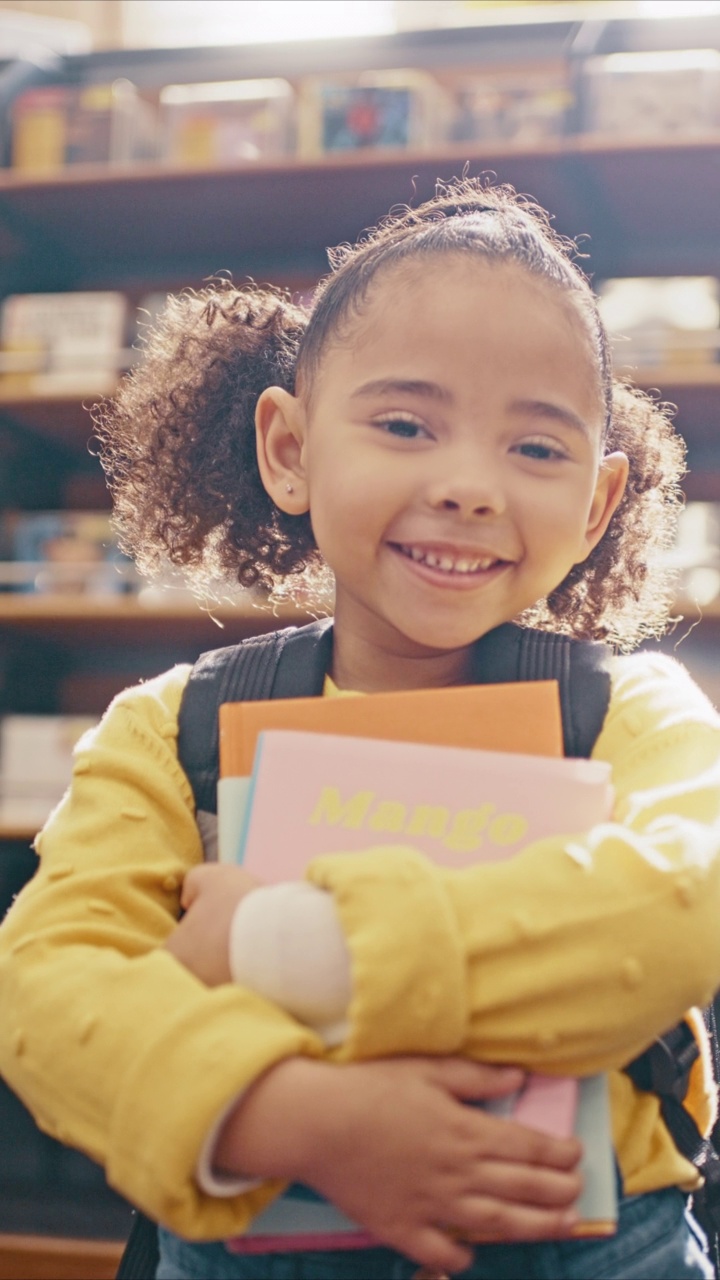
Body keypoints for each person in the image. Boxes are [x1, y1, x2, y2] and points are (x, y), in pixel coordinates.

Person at [0, 177, 719, 1280]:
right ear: (289, 449)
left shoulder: (634, 712)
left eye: (535, 448)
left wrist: (278, 945)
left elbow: (681, 905)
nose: (470, 485)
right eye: (404, 424)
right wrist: (290, 1113)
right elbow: (45, 986)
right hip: (256, 1219)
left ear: (596, 504)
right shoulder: (175, 728)